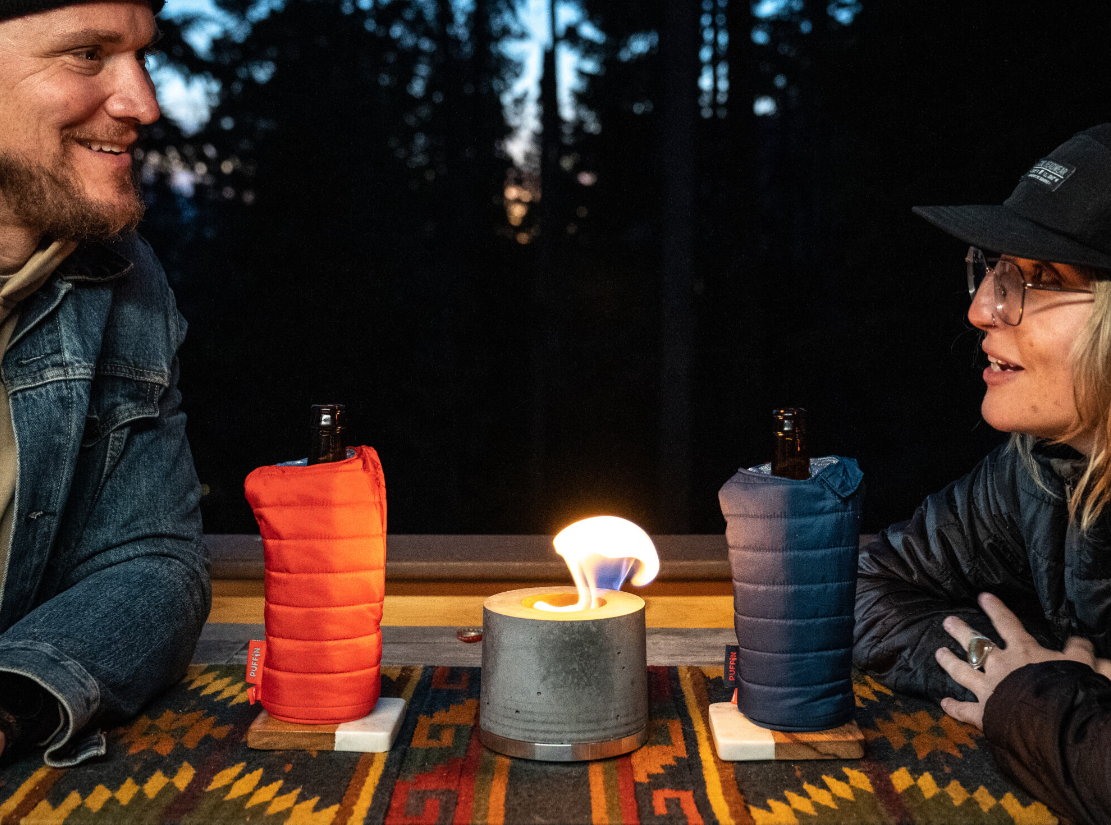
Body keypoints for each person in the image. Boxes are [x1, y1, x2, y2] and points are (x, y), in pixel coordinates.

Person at [854, 124, 1111, 825]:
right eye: (994, 270)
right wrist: (1007, 666)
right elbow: (877, 584)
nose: (979, 309)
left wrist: (1029, 696)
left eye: (1039, 280)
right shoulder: (1040, 465)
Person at [0, 0, 209, 766]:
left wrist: (13, 696)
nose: (143, 103)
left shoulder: (123, 275)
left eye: (141, 55)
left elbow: (152, 560)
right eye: (87, 54)